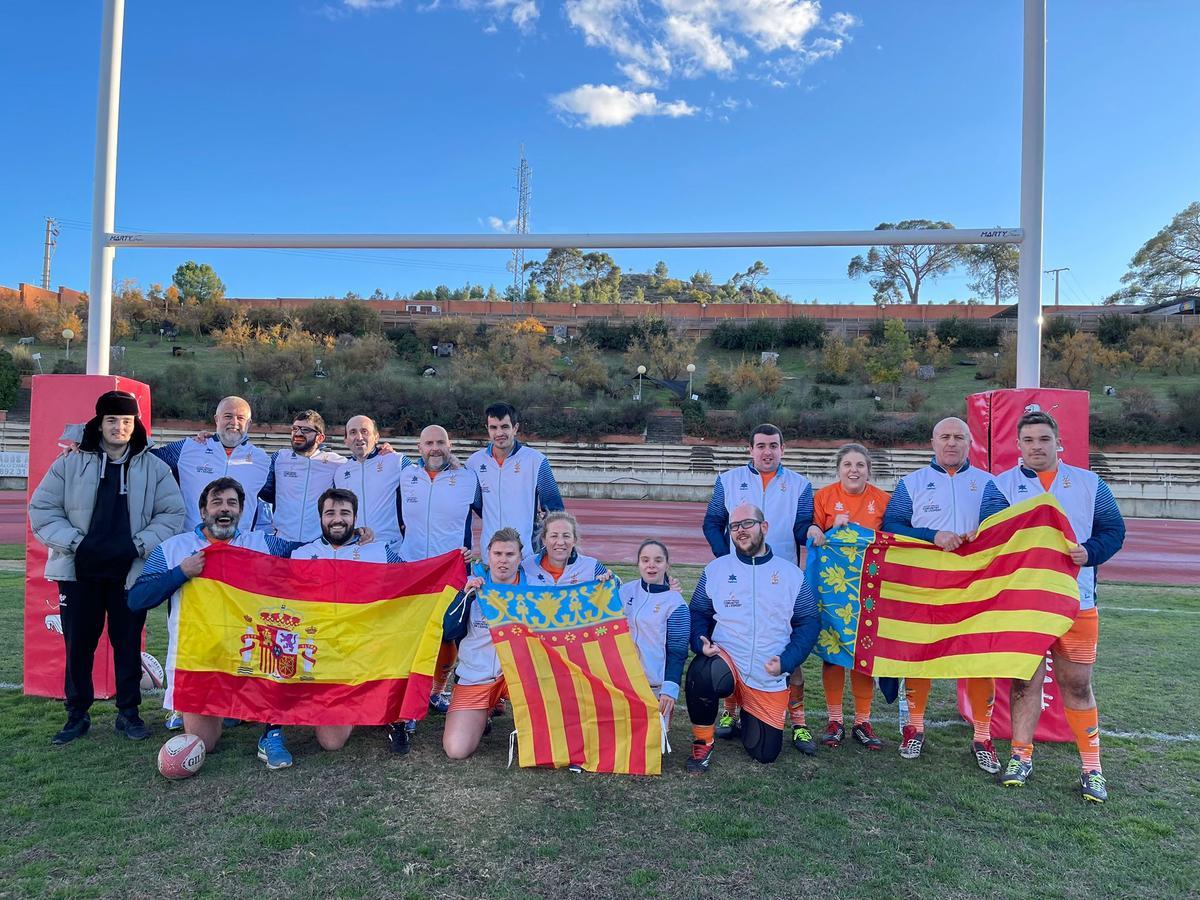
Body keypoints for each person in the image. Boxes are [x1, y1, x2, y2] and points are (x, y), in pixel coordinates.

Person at [980, 410, 1126, 803]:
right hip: (1022, 605)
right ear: (1019, 446)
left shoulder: (1089, 483)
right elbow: (989, 540)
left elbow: (1114, 532)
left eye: (1043, 440)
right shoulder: (1001, 486)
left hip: (1077, 603)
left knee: (1077, 685)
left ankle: (1092, 768)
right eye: (1028, 441)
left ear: (1058, 442)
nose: (1036, 447)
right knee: (1024, 683)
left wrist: (1088, 552)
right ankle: (1020, 756)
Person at [30, 391, 186, 746]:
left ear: (136, 425)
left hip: (129, 573)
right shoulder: (70, 463)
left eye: (126, 421)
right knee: (79, 646)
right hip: (79, 572)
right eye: (112, 420)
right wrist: (77, 543)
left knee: (127, 645)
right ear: (99, 424)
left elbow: (172, 515)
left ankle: (128, 714)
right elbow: (42, 509)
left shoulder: (154, 467)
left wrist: (137, 545)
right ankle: (76, 716)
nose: (119, 427)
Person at [128, 478, 315, 769]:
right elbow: (137, 599)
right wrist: (180, 572)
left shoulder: (260, 543)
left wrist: (351, 537)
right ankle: (224, 711)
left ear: (241, 511)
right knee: (204, 743)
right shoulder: (176, 549)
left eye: (232, 503)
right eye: (217, 503)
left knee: (281, 649)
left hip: (251, 657)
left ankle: (267, 729)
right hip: (202, 661)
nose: (224, 509)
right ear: (203, 511)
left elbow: (311, 555)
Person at [882, 416, 999, 773]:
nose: (951, 443)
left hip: (974, 590)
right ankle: (914, 727)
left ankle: (983, 736)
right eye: (945, 437)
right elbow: (891, 527)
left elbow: (1003, 528)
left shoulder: (988, 484)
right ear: (933, 443)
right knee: (921, 656)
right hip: (925, 588)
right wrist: (932, 535)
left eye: (959, 437)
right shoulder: (911, 483)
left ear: (970, 443)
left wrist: (979, 534)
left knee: (980, 660)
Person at [702, 424, 815, 750]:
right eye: (761, 446)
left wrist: (817, 533)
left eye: (774, 446)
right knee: (732, 639)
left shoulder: (800, 485)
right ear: (750, 449)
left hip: (782, 580)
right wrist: (728, 560)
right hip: (739, 578)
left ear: (783, 449)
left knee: (787, 648)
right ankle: (730, 711)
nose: (767, 451)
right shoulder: (728, 480)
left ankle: (800, 722)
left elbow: (801, 527)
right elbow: (712, 522)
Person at [685, 502, 820, 773]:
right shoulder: (716, 569)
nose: (740, 531)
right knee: (701, 671)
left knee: (765, 753)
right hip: (726, 662)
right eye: (734, 526)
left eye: (747, 523)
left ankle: (748, 711)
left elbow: (809, 621)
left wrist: (787, 660)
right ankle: (703, 741)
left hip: (766, 674)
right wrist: (700, 640)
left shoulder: (791, 574)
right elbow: (699, 610)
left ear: (764, 527)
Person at [805, 443, 892, 752]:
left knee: (863, 652)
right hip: (833, 589)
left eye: (860, 465)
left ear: (869, 469)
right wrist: (819, 529)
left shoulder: (883, 500)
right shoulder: (824, 496)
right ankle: (835, 720)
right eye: (847, 465)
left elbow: (892, 539)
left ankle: (863, 721)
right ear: (838, 469)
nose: (854, 470)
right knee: (832, 650)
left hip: (869, 588)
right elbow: (813, 528)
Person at [395, 424, 482, 714]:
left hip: (451, 570)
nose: (435, 448)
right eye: (429, 443)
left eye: (440, 442)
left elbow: (490, 514)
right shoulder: (406, 476)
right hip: (413, 568)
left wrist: (478, 549)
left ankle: (438, 689)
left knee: (449, 631)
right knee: (411, 632)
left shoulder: (468, 478)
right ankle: (407, 686)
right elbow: (394, 516)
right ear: (419, 448)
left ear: (450, 445)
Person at [442, 528, 527, 760]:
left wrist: (606, 579)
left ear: (520, 558)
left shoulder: (533, 587)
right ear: (488, 555)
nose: (503, 560)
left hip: (520, 677)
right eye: (497, 553)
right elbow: (449, 630)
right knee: (456, 749)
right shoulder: (473, 585)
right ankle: (486, 708)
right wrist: (464, 597)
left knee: (548, 738)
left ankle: (514, 710)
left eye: (510, 555)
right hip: (477, 675)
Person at [151, 396, 271, 533]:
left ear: (248, 424)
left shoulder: (262, 460)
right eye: (228, 416)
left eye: (241, 418)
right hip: (192, 543)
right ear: (216, 419)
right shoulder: (187, 448)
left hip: (238, 547)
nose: (234, 422)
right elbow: (147, 457)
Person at [466, 402, 564, 556]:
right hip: (491, 555)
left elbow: (555, 508)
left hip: (527, 555)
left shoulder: (536, 461)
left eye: (505, 427)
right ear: (487, 429)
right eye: (493, 427)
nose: (499, 433)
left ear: (515, 428)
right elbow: (476, 504)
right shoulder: (474, 462)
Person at [619, 540, 689, 729]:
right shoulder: (624, 591)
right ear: (638, 564)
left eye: (658, 560)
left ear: (667, 564)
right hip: (623, 682)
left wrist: (670, 688)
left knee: (649, 751)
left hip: (654, 686)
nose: (651, 565)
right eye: (645, 560)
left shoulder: (676, 603)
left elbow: (678, 652)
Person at [260, 410, 347, 543]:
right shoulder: (279, 458)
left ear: (320, 438)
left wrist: (382, 451)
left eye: (305, 430)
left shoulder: (335, 462)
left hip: (317, 544)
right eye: (295, 429)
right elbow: (266, 493)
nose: (298, 433)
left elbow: (362, 464)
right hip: (281, 541)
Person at [336, 415, 413, 544]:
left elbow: (425, 474)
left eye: (364, 431)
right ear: (346, 440)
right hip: (354, 548)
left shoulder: (396, 461)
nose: (359, 437)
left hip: (390, 548)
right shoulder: (339, 472)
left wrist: (450, 462)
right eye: (353, 432)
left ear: (376, 437)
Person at [519, 510, 614, 586]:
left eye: (566, 536)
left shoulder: (592, 567)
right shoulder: (527, 566)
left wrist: (610, 580)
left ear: (574, 540)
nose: (560, 542)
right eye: (554, 536)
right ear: (544, 540)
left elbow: (619, 592)